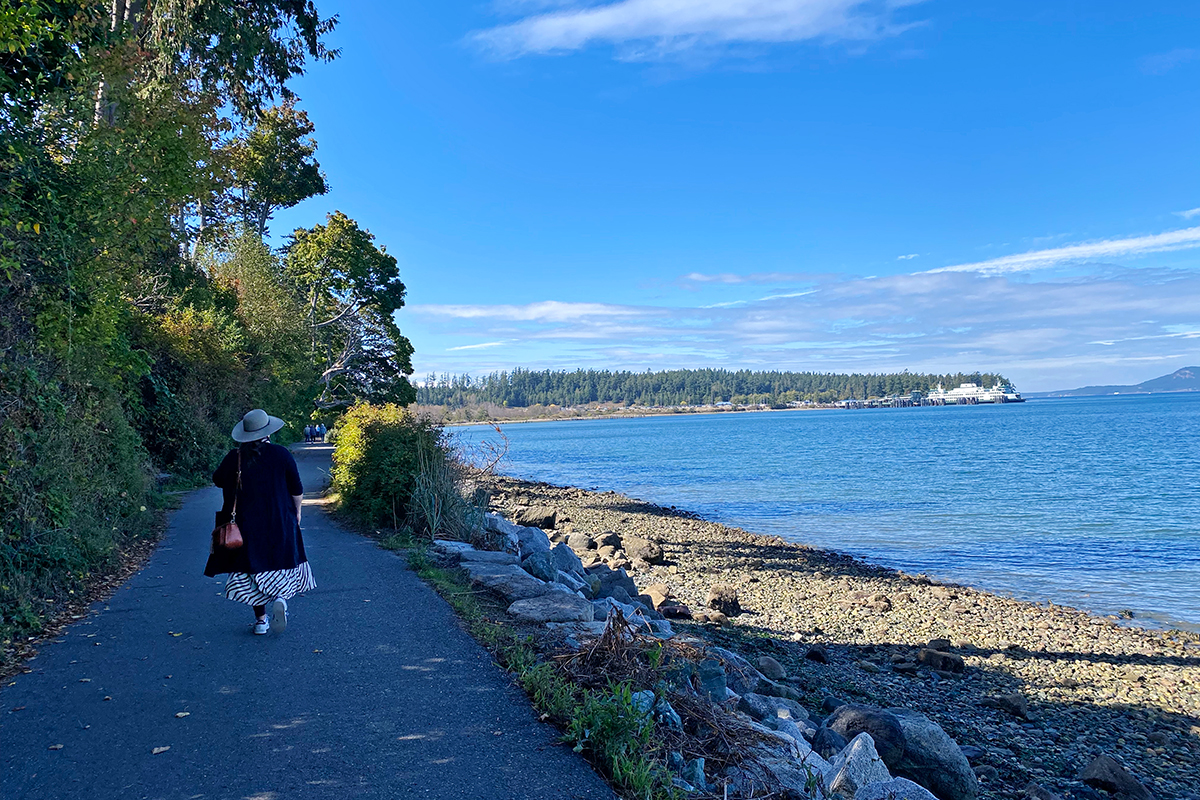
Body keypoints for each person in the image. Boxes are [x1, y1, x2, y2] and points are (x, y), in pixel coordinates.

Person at [205, 409, 315, 635]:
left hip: (245, 527)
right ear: (269, 432)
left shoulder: (234, 457)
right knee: (281, 563)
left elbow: (217, 480)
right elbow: (297, 489)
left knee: (252, 570)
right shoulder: (281, 454)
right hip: (280, 521)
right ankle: (281, 599)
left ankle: (261, 621)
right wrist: (297, 513)